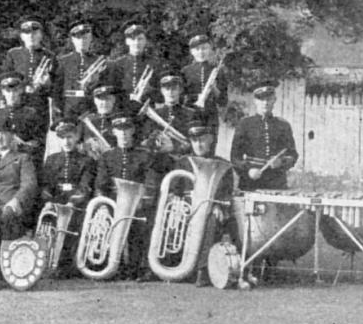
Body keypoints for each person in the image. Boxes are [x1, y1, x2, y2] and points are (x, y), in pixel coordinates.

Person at [94, 113, 171, 281]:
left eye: (127, 130)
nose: (123, 134)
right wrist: (103, 205)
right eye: (119, 130)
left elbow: (150, 182)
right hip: (114, 203)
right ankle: (116, 265)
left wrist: (143, 201)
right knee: (105, 220)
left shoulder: (144, 155)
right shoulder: (107, 156)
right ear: (114, 132)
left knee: (141, 226)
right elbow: (101, 184)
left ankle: (138, 267)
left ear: (133, 131)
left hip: (137, 204)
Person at [176, 123, 235, 287]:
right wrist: (176, 202)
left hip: (211, 209)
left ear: (211, 140)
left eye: (202, 140)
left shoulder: (222, 164)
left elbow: (227, 193)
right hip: (187, 206)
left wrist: (218, 205)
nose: (198, 145)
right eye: (194, 141)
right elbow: (175, 189)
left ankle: (202, 269)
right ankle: (178, 266)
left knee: (211, 222)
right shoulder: (182, 162)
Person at [38, 117, 94, 277]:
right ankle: (48, 259)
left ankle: (68, 264)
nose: (66, 141)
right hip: (55, 202)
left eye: (70, 137)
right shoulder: (51, 159)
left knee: (76, 220)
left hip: (75, 203)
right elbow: (46, 185)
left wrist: (71, 202)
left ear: (76, 137)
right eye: (63, 138)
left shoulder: (86, 161)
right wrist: (48, 201)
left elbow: (84, 187)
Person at [230, 80, 298, 190]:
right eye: (261, 99)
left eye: (269, 99)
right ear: (255, 101)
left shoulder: (283, 125)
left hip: (276, 181)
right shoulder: (244, 124)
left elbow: (293, 154)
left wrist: (281, 162)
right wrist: (248, 170)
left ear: (274, 100)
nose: (265, 103)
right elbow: (235, 157)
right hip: (250, 181)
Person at [0, 116, 38, 240]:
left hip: (12, 207)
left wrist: (16, 200)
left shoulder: (23, 158)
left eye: (4, 134)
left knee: (5, 220)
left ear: (12, 136)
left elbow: (29, 184)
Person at [0, 16, 57, 120]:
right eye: (27, 33)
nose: (31, 36)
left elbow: (56, 87)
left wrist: (48, 84)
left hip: (39, 106)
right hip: (17, 105)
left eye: (35, 32)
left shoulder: (49, 56)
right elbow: (4, 81)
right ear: (21, 36)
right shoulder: (13, 54)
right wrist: (3, 105)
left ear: (41, 35)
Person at [0, 72, 47, 168]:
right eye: (8, 91)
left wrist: (20, 146)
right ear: (3, 92)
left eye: (15, 91)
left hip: (24, 163)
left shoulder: (31, 114)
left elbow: (38, 142)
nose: (12, 95)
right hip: (2, 164)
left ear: (21, 90)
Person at [55, 21, 107, 117]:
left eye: (85, 38)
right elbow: (57, 88)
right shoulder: (62, 61)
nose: (82, 41)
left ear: (90, 39)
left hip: (90, 107)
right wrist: (60, 110)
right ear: (73, 40)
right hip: (69, 107)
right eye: (78, 38)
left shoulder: (99, 61)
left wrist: (95, 82)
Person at [140, 73, 195, 155]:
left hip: (182, 157)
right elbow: (146, 141)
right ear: (162, 91)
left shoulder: (190, 114)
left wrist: (174, 147)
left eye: (174, 88)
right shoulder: (154, 114)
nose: (170, 92)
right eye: (167, 88)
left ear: (180, 90)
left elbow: (192, 143)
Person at [110, 23, 161, 103]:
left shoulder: (154, 63)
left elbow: (161, 91)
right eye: (133, 39)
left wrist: (150, 89)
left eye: (140, 39)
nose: (137, 43)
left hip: (147, 105)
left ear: (145, 41)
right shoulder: (118, 63)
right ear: (127, 41)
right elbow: (113, 89)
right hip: (124, 106)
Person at [182, 34, 228, 122]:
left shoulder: (217, 71)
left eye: (204, 48)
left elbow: (223, 101)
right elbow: (181, 97)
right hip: (190, 114)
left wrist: (214, 89)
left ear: (210, 49)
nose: (201, 52)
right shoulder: (185, 71)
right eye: (197, 49)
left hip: (211, 115)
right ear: (192, 52)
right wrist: (196, 97)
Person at [79, 85, 118, 159]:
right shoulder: (86, 121)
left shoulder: (119, 119)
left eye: (108, 99)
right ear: (94, 101)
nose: (104, 103)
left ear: (114, 100)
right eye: (100, 99)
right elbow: (79, 144)